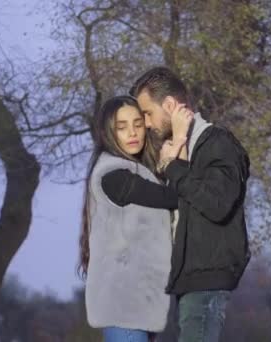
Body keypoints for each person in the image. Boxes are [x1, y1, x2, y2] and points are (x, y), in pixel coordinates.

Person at [130, 67, 251, 342]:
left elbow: (217, 204)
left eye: (147, 113)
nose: (146, 124)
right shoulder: (174, 149)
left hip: (206, 278)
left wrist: (173, 167)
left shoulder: (217, 143)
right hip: (184, 279)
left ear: (170, 105)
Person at [77, 95, 192, 342]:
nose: (132, 133)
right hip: (124, 306)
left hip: (139, 303)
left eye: (138, 124)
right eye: (122, 127)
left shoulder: (137, 172)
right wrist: (179, 140)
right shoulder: (113, 175)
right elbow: (176, 197)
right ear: (108, 132)